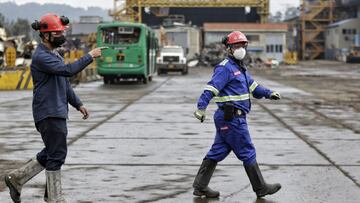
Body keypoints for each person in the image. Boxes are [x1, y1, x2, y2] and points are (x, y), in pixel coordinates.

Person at [4, 13, 103, 203]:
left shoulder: (53, 54)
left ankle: (16, 178)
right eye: (56, 33)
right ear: (46, 36)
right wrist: (90, 56)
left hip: (56, 111)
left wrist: (78, 104)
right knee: (57, 154)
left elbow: (64, 83)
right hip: (48, 112)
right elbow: (68, 71)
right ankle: (55, 198)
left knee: (51, 152)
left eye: (61, 32)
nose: (61, 36)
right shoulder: (41, 56)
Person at [192, 31, 282, 199]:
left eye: (242, 45)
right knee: (247, 151)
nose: (240, 48)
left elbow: (254, 88)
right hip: (233, 118)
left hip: (229, 118)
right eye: (236, 46)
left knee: (217, 151)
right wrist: (201, 107)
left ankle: (200, 186)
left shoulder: (241, 69)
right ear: (229, 48)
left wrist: (269, 93)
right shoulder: (225, 68)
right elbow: (211, 88)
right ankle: (261, 187)